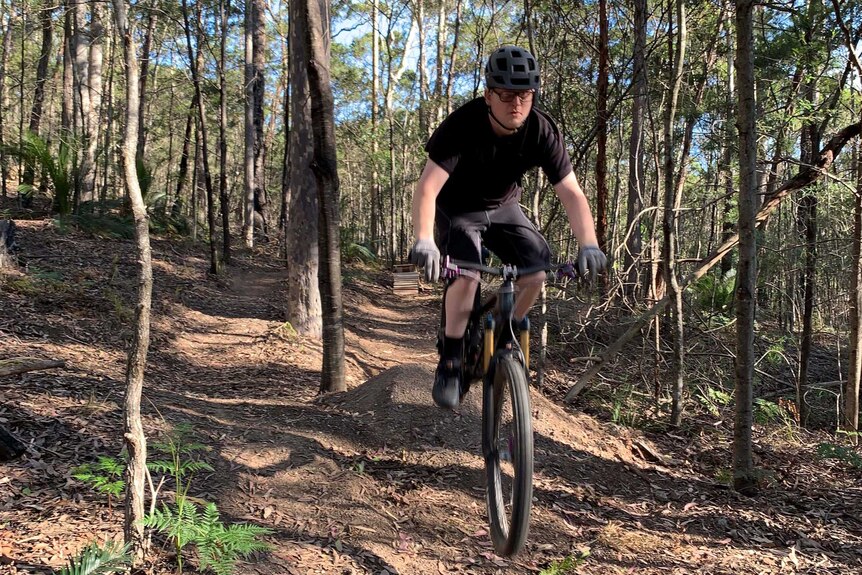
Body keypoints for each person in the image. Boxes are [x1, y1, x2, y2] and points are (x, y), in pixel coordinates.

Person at [409, 45, 607, 409]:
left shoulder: (541, 130)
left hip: (505, 209)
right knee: (467, 275)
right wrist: (424, 239)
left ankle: (506, 327)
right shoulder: (462, 125)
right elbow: (428, 188)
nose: (516, 103)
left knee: (536, 272)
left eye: (525, 94)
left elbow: (571, 193)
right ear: (488, 95)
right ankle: (451, 361)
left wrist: (589, 244)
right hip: (458, 210)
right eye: (506, 94)